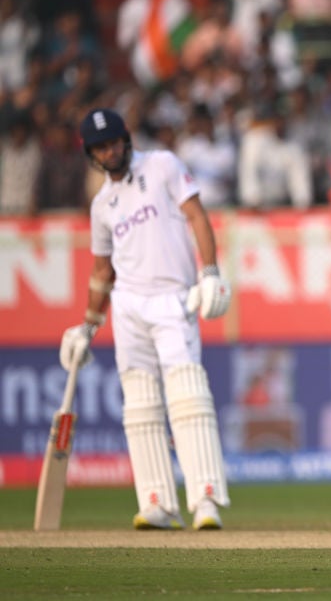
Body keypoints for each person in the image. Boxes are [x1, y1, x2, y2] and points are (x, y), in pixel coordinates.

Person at [58, 108, 232, 531]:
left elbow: (197, 218)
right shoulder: (101, 205)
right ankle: (156, 501)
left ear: (126, 139)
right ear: (92, 153)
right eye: (101, 146)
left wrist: (209, 271)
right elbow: (103, 273)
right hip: (129, 306)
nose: (110, 150)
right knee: (139, 405)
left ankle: (205, 500)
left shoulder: (162, 165)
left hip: (173, 298)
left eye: (114, 141)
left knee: (188, 394)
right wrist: (87, 325)